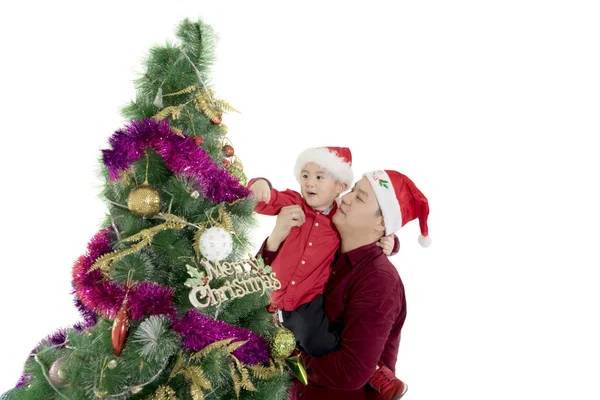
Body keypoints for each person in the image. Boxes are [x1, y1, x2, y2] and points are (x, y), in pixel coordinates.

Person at [259, 169, 431, 399]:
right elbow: (256, 288)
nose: (346, 199)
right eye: (352, 191)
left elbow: (351, 371)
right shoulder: (327, 252)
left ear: (381, 223)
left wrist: (293, 361)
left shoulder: (379, 281)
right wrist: (275, 239)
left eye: (359, 197)